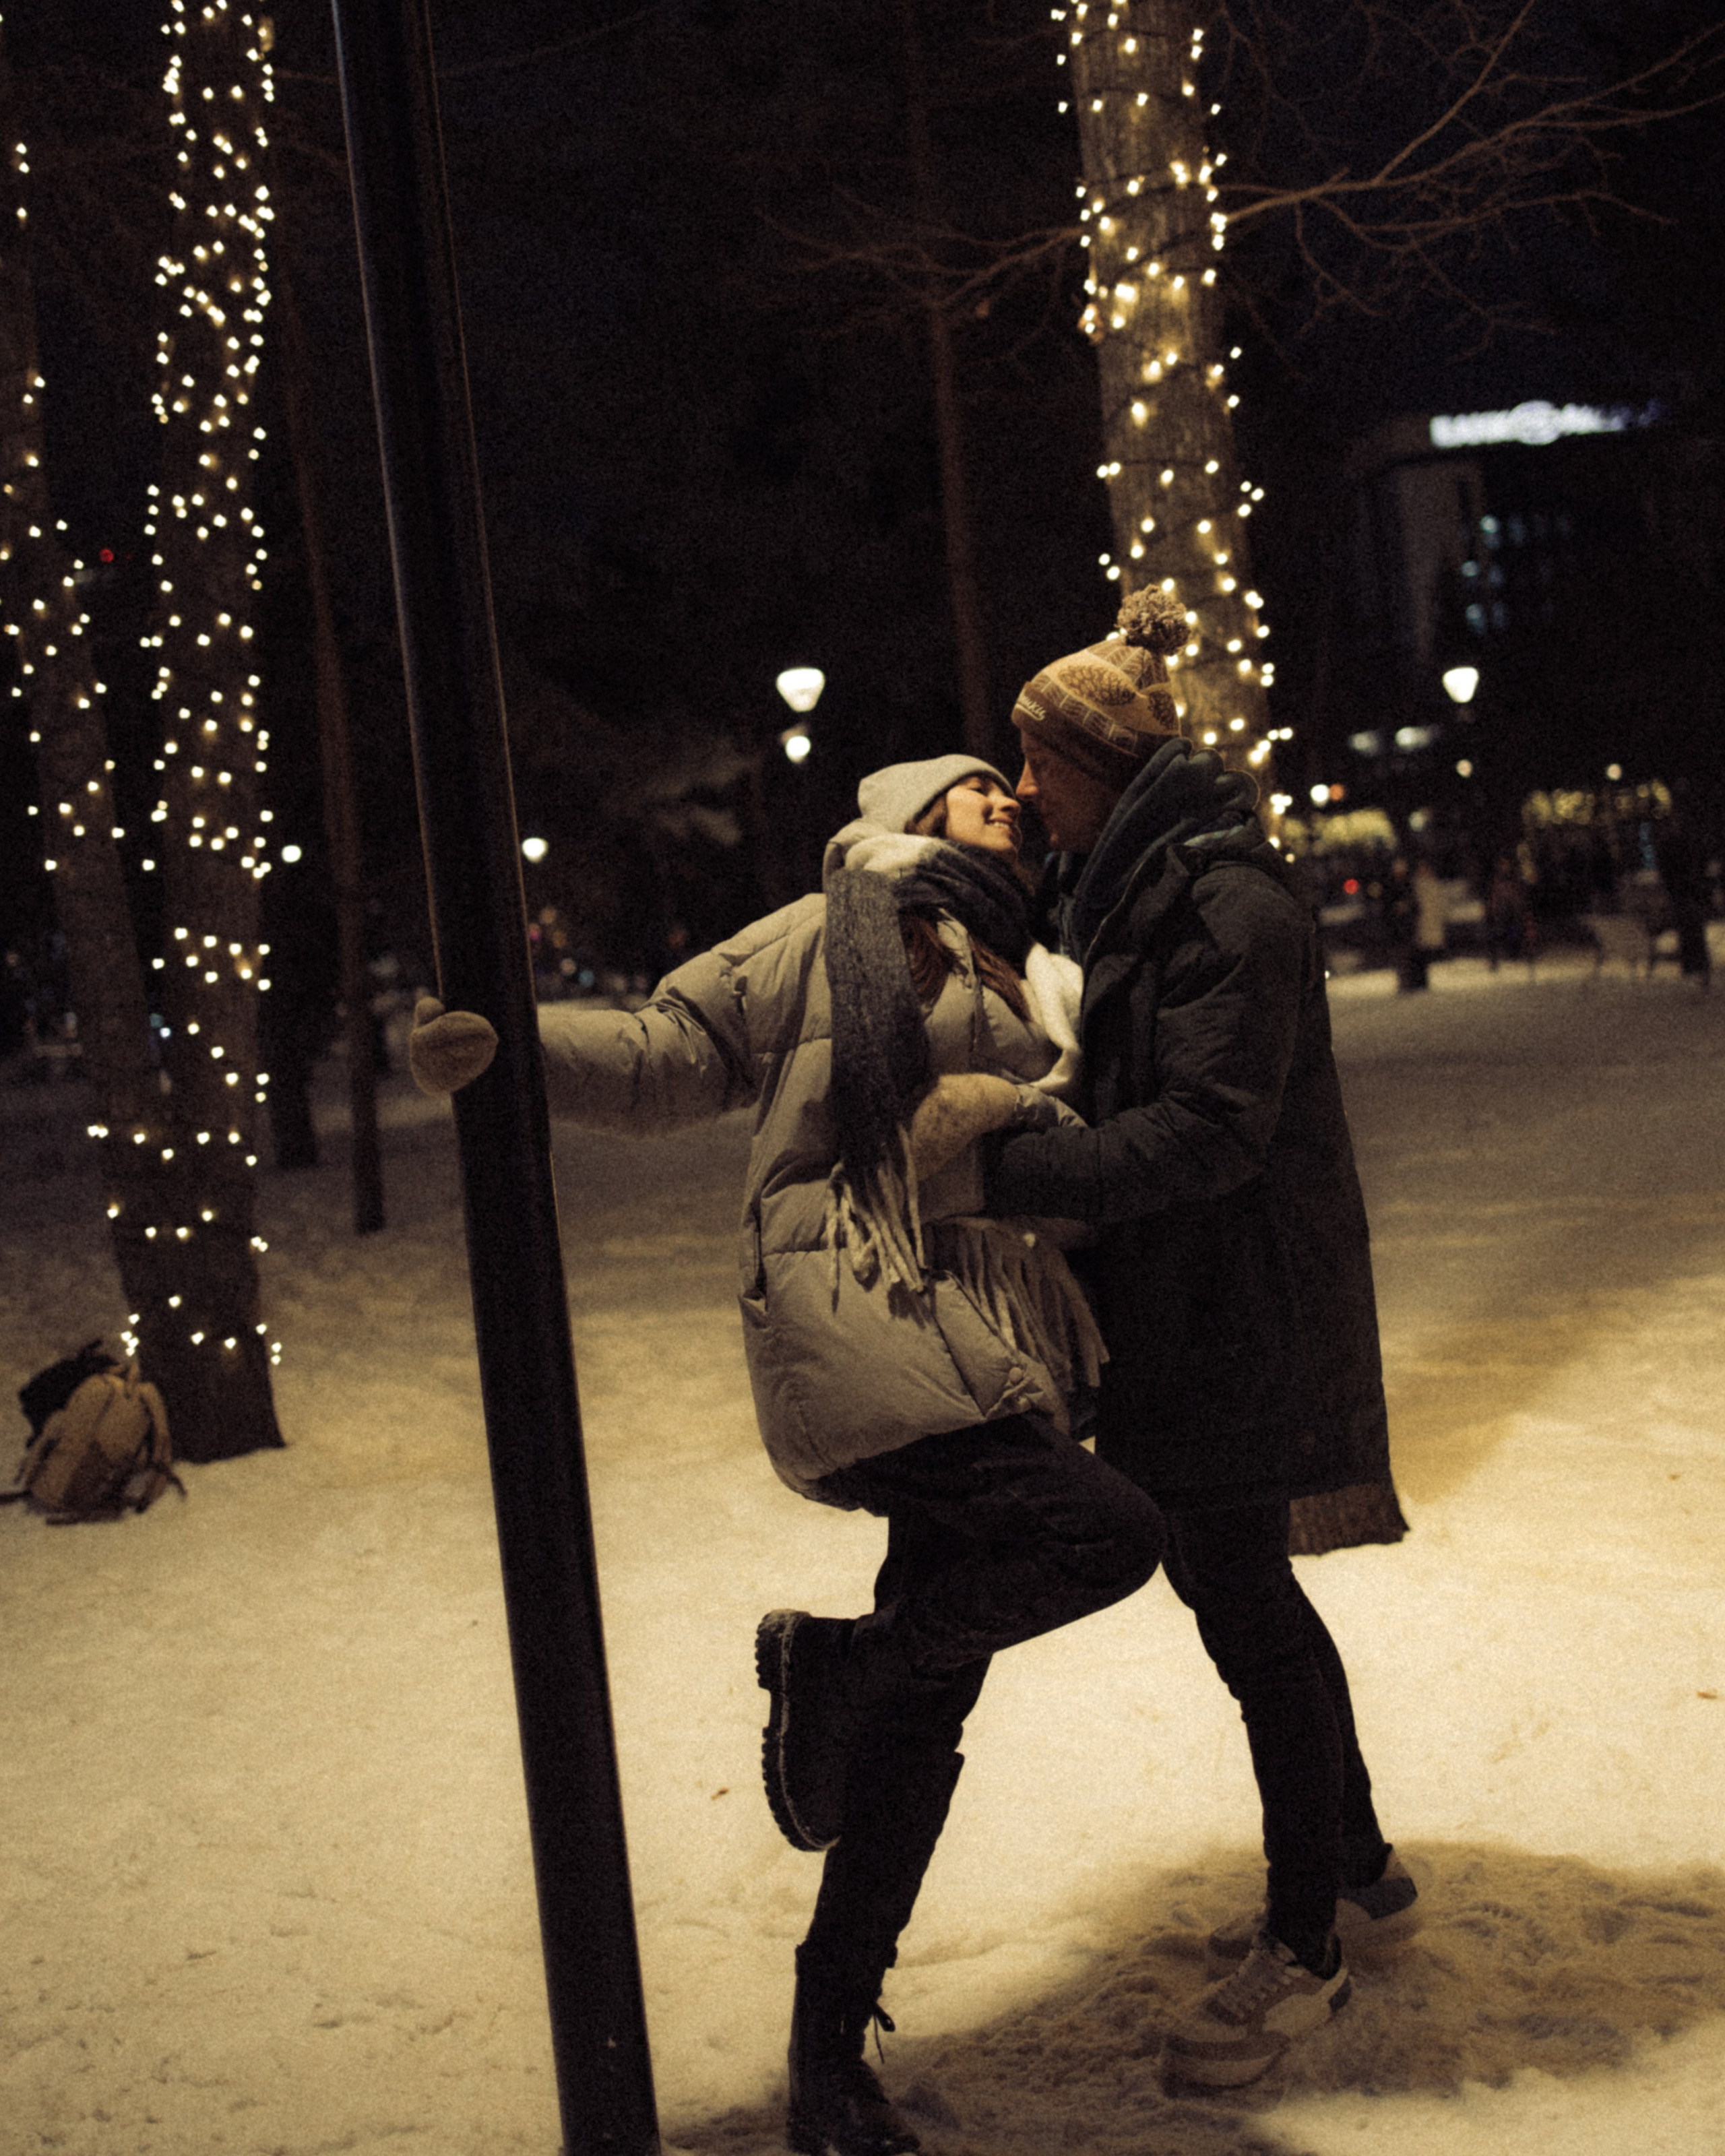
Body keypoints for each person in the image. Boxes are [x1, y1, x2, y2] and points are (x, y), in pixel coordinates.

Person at [409, 756, 1165, 2156]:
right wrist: (508, 1040)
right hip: (866, 1314)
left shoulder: (1023, 967)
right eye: (974, 785)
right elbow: (667, 1054)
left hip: (991, 1340)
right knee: (1105, 1536)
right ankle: (840, 1665)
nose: (1004, 796)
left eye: (1012, 785)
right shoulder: (836, 925)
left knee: (922, 1721)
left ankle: (827, 2059)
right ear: (907, 817)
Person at [986, 585, 1412, 2090]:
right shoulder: (1133, 886)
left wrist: (1000, 1171)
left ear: (1100, 762)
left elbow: (1211, 1130)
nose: (1024, 786)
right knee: (1243, 1595)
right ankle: (1352, 1852)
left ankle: (1304, 1948)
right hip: (1194, 1303)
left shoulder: (1224, 900)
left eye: (1039, 760)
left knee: (1239, 1598)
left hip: (1237, 1304)